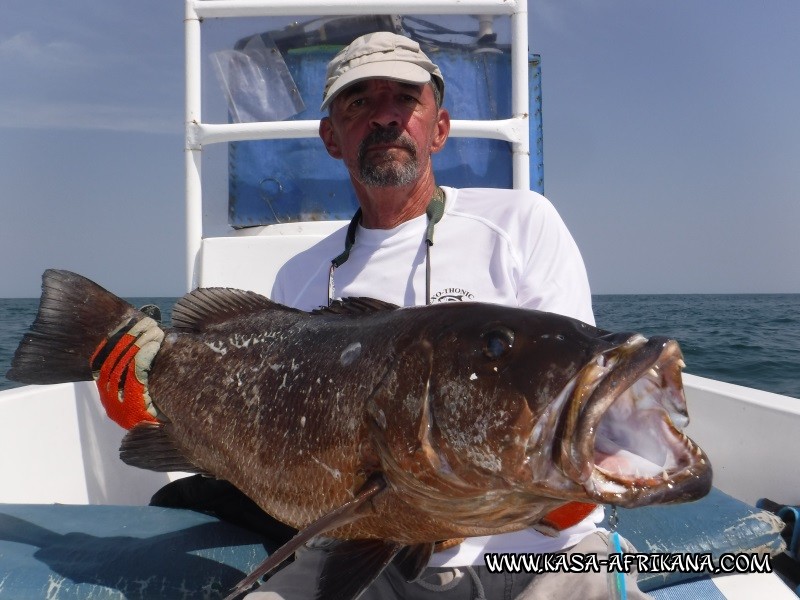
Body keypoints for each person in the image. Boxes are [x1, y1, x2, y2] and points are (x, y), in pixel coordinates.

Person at [248, 32, 652, 600]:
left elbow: (557, 411)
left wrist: (439, 503)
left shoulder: (521, 224)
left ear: (438, 128)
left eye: (405, 100)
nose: (385, 117)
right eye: (359, 102)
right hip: (366, 555)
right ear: (330, 137)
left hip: (534, 558)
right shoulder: (299, 278)